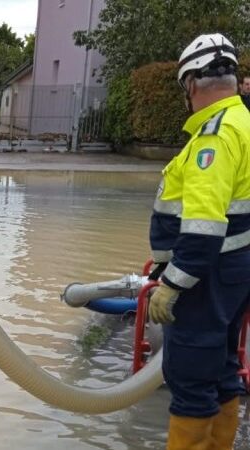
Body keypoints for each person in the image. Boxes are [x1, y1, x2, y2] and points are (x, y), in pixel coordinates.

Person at [148, 33, 250, 449]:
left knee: (190, 380)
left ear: (190, 85)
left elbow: (203, 226)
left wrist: (172, 285)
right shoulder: (244, 122)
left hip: (204, 280)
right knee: (223, 369)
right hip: (235, 274)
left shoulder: (214, 136)